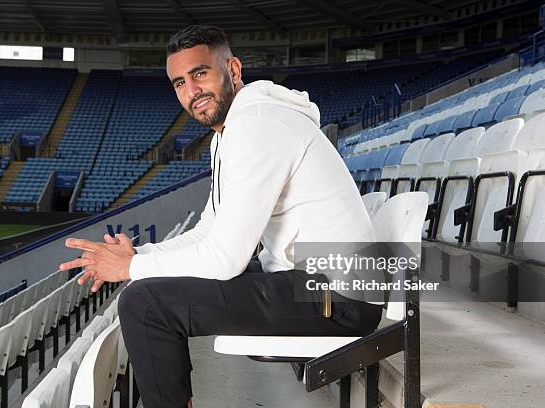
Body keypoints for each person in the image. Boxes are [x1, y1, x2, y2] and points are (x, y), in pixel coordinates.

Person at [59, 25, 383, 408]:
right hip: (316, 283)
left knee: (144, 303)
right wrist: (140, 257)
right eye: (179, 83)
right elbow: (207, 232)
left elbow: (226, 258)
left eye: (200, 74)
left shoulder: (256, 125)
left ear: (232, 69)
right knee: (147, 289)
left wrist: (129, 268)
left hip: (338, 297)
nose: (191, 91)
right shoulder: (231, 133)